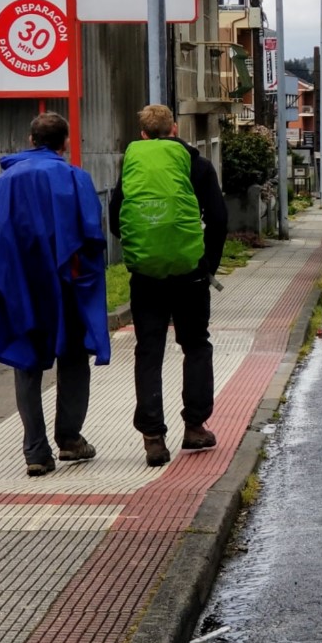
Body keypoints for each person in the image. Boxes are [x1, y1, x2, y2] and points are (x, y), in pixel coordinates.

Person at [0, 112, 110, 477]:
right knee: (72, 358)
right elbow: (91, 237)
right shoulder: (75, 178)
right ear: (65, 142)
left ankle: (35, 453)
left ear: (30, 140)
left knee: (27, 364)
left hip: (20, 286)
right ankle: (69, 439)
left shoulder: (5, 182)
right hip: (64, 287)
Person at [109, 104, 227, 467]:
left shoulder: (131, 164)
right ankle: (194, 428)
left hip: (146, 275)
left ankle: (153, 437)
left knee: (149, 350)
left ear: (142, 133)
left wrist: (142, 251)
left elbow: (116, 219)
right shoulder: (196, 164)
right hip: (190, 273)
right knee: (195, 345)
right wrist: (207, 264)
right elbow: (219, 219)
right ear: (175, 129)